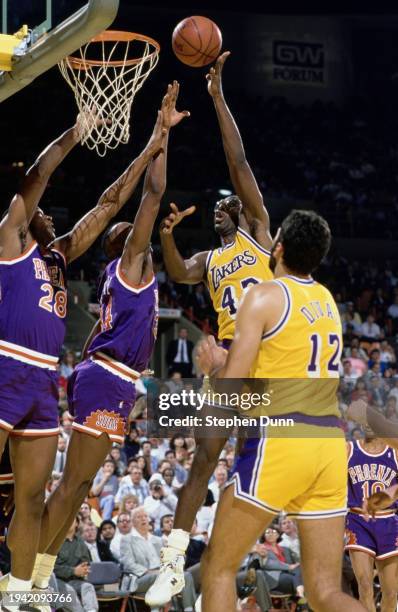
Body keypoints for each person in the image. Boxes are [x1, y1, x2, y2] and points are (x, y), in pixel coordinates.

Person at [30, 83, 188, 595]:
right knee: (71, 486)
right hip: (105, 377)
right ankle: (25, 579)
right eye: (131, 230)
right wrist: (159, 135)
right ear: (126, 245)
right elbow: (151, 195)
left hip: (115, 383)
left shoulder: (133, 274)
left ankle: (31, 579)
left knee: (78, 494)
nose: (132, 229)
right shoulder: (131, 263)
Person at [147, 51, 274, 606]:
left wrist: (218, 97)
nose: (220, 209)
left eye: (227, 206)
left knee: (259, 465)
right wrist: (170, 235)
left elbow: (238, 161)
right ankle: (175, 560)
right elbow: (175, 272)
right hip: (229, 366)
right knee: (204, 454)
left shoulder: (260, 236)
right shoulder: (210, 260)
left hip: (271, 362)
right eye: (216, 207)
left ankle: (243, 556)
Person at [196, 210, 365, 612]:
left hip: (280, 439)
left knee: (217, 568)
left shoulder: (264, 294)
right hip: (327, 444)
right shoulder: (327, 301)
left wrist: (212, 369)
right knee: (326, 593)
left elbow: (232, 391)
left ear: (279, 247)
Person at [346, 430, 398, 612]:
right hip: (358, 520)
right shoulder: (349, 449)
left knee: (391, 592)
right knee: (365, 585)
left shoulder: (395, 451)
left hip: (389, 522)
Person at [120, 507, 197, 611]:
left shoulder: (157, 540)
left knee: (186, 575)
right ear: (133, 522)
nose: (143, 519)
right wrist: (149, 572)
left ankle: (189, 609)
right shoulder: (127, 540)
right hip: (138, 579)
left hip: (162, 573)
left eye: (145, 516)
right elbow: (128, 564)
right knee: (157, 577)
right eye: (139, 517)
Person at [54, 518, 98, 612]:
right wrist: (73, 571)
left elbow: (87, 562)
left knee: (88, 587)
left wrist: (84, 570)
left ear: (77, 523)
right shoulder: (55, 541)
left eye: (71, 519)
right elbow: (51, 569)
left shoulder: (81, 542)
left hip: (75, 580)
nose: (68, 521)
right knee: (69, 591)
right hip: (58, 581)